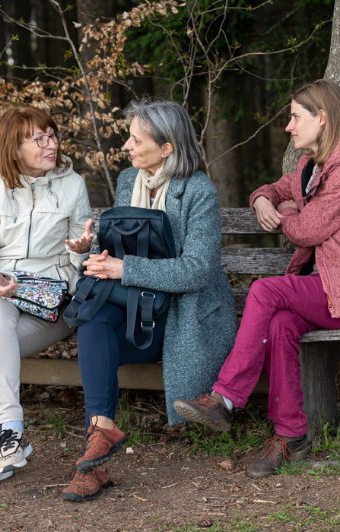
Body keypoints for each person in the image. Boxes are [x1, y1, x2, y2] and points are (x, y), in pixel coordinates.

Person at [173, 79, 340, 479]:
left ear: (322, 117)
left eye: (295, 117)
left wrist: (287, 212)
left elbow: (306, 231)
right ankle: (291, 436)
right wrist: (266, 198)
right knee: (281, 324)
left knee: (266, 290)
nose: (288, 126)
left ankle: (225, 398)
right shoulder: (311, 167)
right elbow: (272, 189)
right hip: (334, 289)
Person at [60, 100, 236, 502]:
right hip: (136, 307)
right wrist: (93, 249)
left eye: (137, 139)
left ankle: (94, 457)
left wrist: (125, 270)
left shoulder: (198, 192)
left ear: (168, 147)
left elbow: (197, 270)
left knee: (98, 317)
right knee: (93, 317)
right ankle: (98, 446)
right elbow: (122, 246)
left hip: (180, 317)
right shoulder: (128, 180)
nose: (127, 146)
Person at [0, 106, 93, 491]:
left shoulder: (72, 186)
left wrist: (81, 249)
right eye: (40, 138)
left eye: (52, 135)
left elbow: (78, 264)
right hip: (2, 294)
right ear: (15, 148)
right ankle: (10, 433)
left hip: (51, 304)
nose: (52, 144)